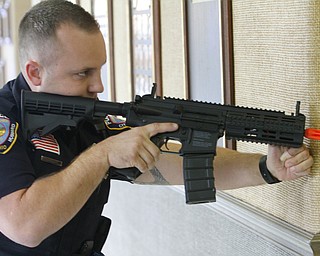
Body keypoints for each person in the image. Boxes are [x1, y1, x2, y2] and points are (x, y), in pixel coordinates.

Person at [0, 1, 313, 255]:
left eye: (99, 69)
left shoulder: (85, 118)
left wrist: (266, 168)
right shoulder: (5, 120)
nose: (99, 85)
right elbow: (24, 226)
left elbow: (169, 163)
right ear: (35, 73)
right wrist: (102, 155)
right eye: (83, 73)